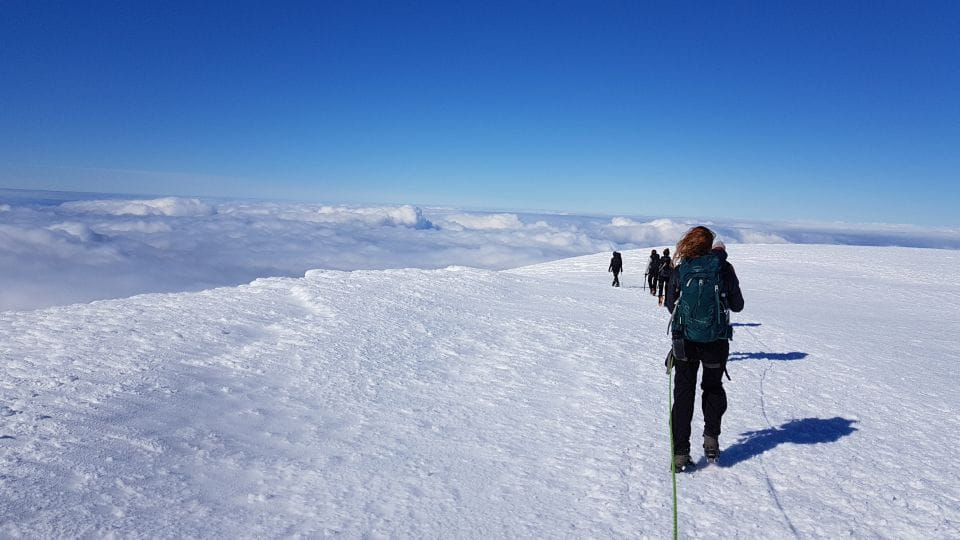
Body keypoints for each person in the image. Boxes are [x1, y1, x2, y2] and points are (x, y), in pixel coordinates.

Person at [664, 226, 744, 471]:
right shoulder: (724, 268)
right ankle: (711, 437)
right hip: (715, 342)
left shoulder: (681, 269)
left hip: (685, 342)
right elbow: (738, 306)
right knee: (712, 387)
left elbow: (670, 305)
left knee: (683, 394)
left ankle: (680, 453)